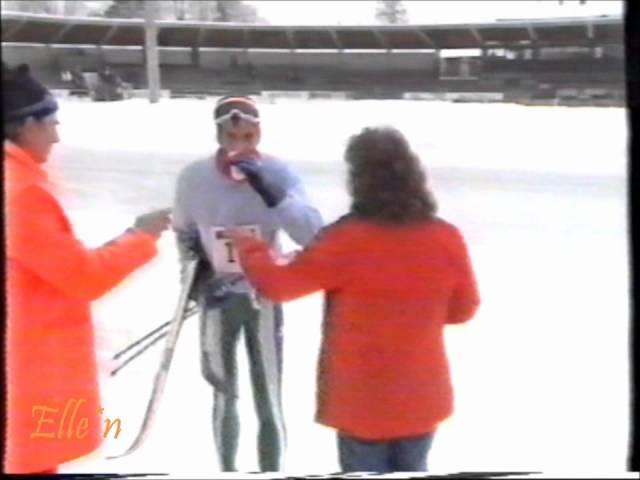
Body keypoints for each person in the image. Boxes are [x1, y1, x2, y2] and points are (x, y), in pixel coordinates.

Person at [228, 126, 480, 473]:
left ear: (358, 179)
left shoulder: (346, 240)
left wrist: (249, 248)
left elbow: (279, 286)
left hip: (361, 402)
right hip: (421, 396)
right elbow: (463, 309)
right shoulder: (445, 236)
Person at [3, 63, 172, 474]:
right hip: (25, 377)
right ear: (25, 126)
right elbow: (82, 276)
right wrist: (142, 236)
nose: (57, 136)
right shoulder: (21, 192)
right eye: (51, 124)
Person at [172, 95, 323, 471]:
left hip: (264, 298)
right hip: (218, 299)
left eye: (249, 136)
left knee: (268, 397)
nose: (241, 146)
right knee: (224, 395)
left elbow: (313, 234)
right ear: (219, 136)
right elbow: (184, 231)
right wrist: (195, 277)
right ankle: (227, 470)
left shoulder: (280, 173)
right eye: (233, 136)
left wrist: (272, 193)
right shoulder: (194, 177)